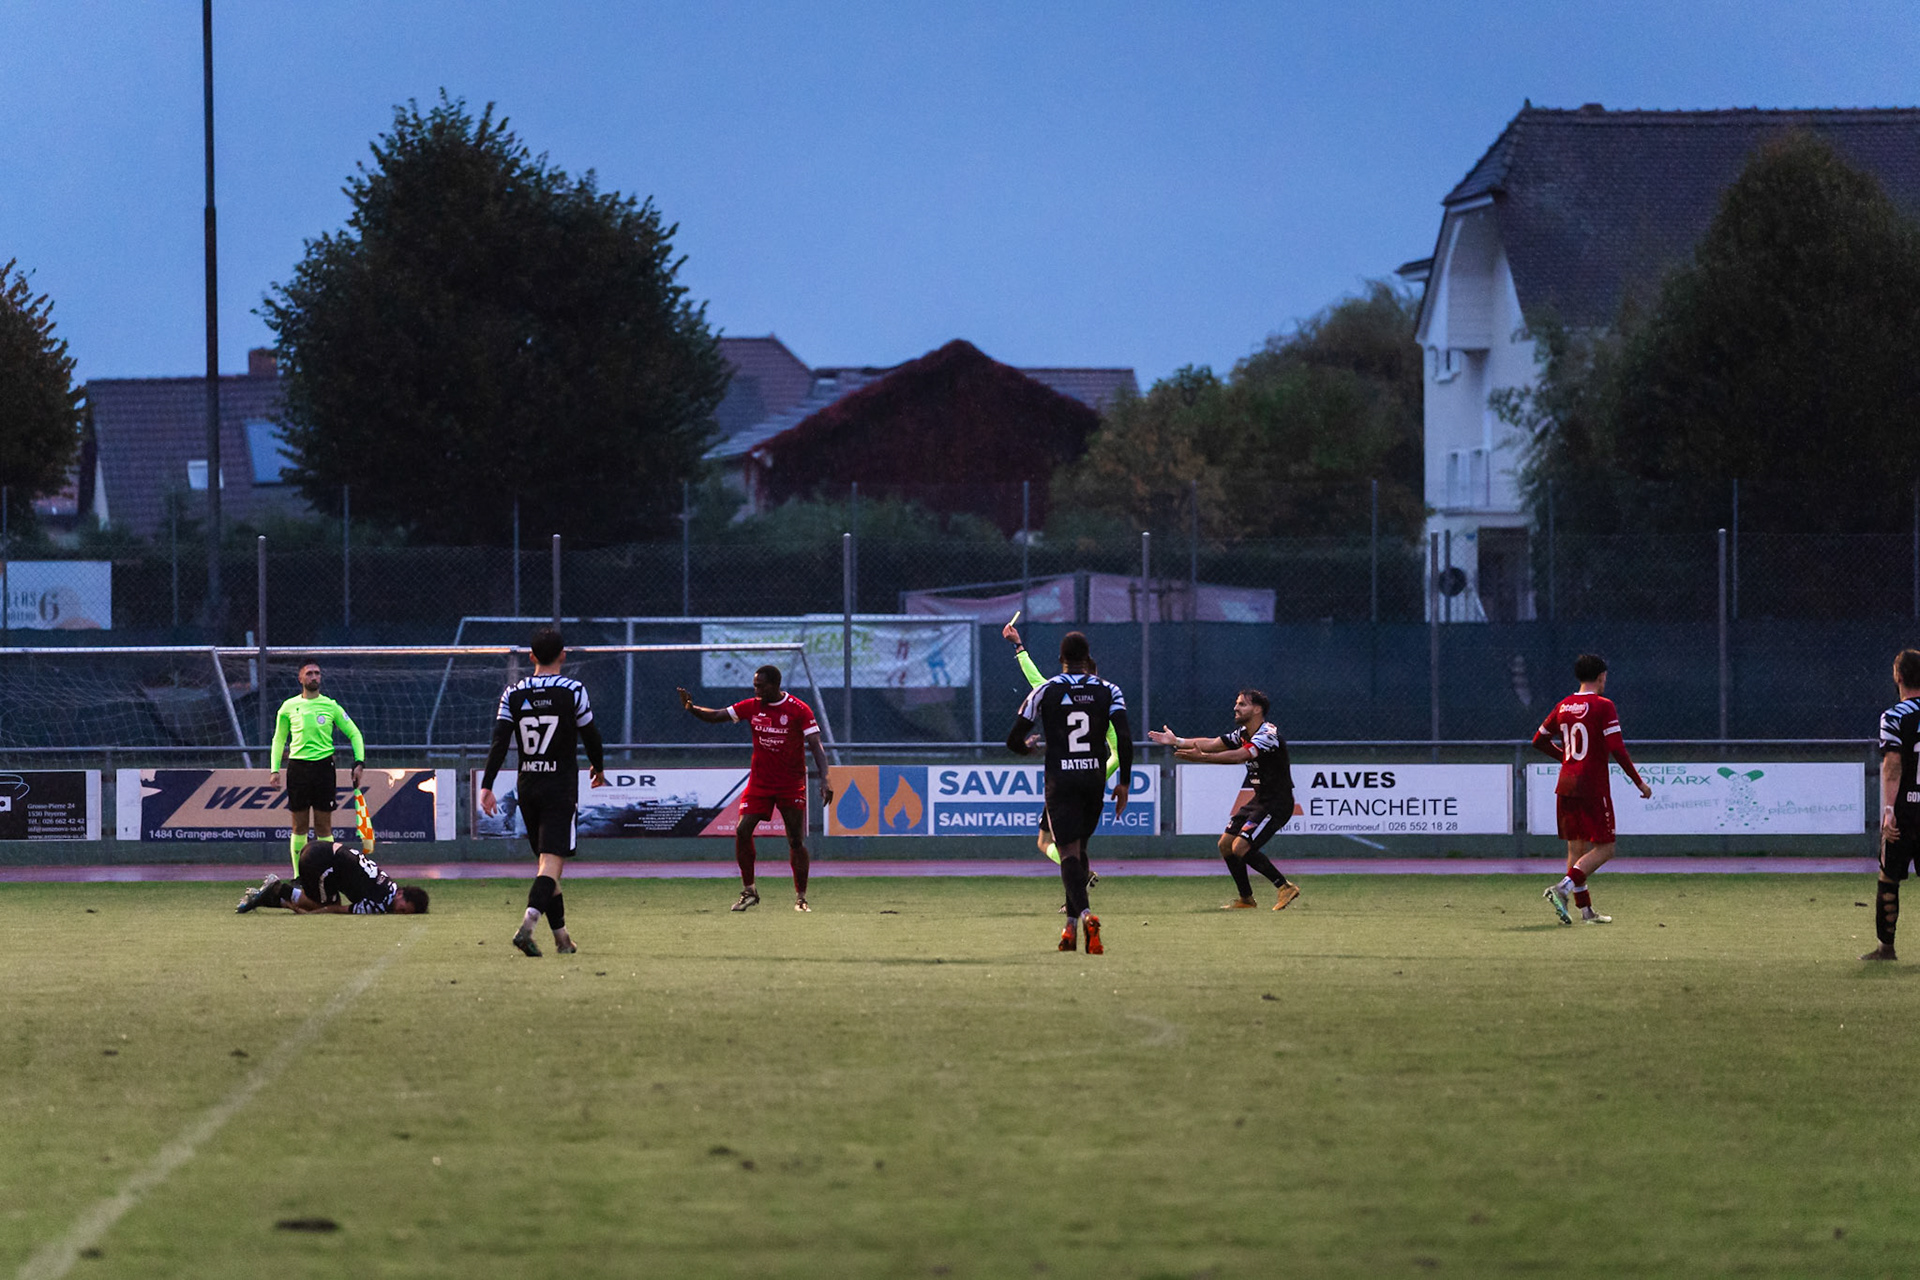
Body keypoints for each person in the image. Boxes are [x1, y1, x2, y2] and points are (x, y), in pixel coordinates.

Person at [479, 627, 607, 956]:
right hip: (559, 786)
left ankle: (563, 939)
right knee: (551, 865)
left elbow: (499, 741)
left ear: (531, 657)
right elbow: (590, 734)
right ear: (563, 655)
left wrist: (487, 784)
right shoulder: (573, 690)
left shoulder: (514, 693)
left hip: (528, 787)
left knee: (545, 866)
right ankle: (527, 925)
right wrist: (598, 767)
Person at [1006, 631, 1131, 954]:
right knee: (1081, 850)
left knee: (1068, 854)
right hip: (1093, 779)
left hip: (1061, 781)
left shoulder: (1046, 690)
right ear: (1087, 657)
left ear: (1060, 657)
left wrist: (1028, 749)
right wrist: (1124, 783)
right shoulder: (1109, 690)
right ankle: (1070, 929)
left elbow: (1013, 739)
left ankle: (1086, 915)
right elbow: (1126, 740)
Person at [677, 665, 833, 912]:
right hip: (760, 783)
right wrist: (692, 709)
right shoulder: (752, 706)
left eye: (761, 685)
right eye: (755, 685)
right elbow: (717, 715)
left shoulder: (798, 709)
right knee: (742, 830)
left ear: (775, 685)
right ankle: (749, 891)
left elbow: (816, 744)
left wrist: (825, 778)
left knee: (795, 840)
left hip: (790, 784)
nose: (756, 689)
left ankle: (801, 898)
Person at [1149, 688, 1300, 911]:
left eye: (1242, 704)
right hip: (1259, 800)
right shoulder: (1243, 733)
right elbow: (1212, 743)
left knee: (1241, 847)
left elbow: (1240, 756)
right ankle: (1246, 899)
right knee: (1226, 845)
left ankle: (1285, 887)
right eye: (1236, 703)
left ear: (1257, 709)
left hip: (1277, 803)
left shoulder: (1267, 734)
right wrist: (1178, 741)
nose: (1235, 708)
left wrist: (1203, 759)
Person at [1531, 653, 1652, 925]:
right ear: (1601, 676)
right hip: (1592, 785)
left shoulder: (1563, 706)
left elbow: (1538, 739)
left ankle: (1585, 911)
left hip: (1566, 784)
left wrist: (1565, 757)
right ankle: (1562, 887)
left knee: (1577, 849)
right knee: (1605, 848)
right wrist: (1639, 782)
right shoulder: (1602, 706)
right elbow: (1617, 749)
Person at [1003, 617, 1105, 905]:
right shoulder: (1103, 699)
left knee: (1061, 844)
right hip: (1090, 780)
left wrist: (1019, 647)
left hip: (1064, 779)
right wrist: (1101, 773)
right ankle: (1074, 901)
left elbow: (1036, 682)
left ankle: (1075, 903)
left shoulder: (1057, 691)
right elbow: (1119, 750)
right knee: (1066, 844)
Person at [267, 660, 366, 873]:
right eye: (309, 673)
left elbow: (354, 733)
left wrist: (359, 762)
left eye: (317, 673)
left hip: (323, 769)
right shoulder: (288, 707)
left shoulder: (330, 706)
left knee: (323, 827)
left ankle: (326, 874)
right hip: (298, 769)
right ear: (300, 678)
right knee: (299, 826)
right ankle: (298, 876)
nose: (314, 677)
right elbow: (278, 739)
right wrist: (274, 769)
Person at [1863, 649, 1920, 961]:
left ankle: (1886, 949)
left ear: (1898, 677)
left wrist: (1888, 811)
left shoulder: (1894, 716)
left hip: (1906, 812)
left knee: (1889, 877)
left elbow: (1892, 765)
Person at [235, 841, 429, 915]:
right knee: (321, 904)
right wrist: (314, 913)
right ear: (401, 894)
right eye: (402, 910)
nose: (398, 914)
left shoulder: (388, 883)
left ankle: (265, 899)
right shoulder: (380, 903)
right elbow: (338, 909)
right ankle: (279, 890)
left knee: (328, 897)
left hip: (319, 848)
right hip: (318, 861)